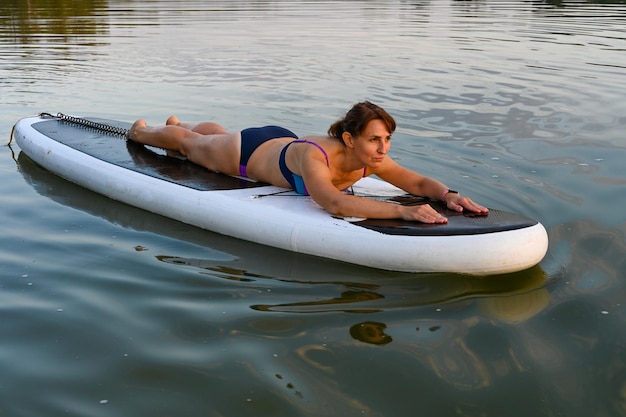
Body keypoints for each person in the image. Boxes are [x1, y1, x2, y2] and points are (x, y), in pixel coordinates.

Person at [127, 101, 488, 223]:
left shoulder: (371, 159)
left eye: (387, 139)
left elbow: (417, 183)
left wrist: (447, 194)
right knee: (194, 146)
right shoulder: (318, 157)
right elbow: (332, 202)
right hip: (248, 153)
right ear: (350, 139)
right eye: (375, 139)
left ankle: (177, 121)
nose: (383, 149)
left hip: (278, 141)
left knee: (211, 136)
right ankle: (141, 132)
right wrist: (403, 212)